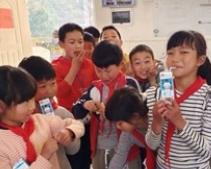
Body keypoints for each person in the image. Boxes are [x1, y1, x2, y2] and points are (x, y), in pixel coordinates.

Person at [145, 30, 211, 169]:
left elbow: (206, 150)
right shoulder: (155, 93)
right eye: (170, 53)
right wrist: (157, 121)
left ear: (200, 60)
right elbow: (152, 145)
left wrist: (179, 121)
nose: (175, 58)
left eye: (184, 52)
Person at [0, 66, 84, 169]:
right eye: (24, 102)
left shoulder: (41, 121)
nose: (32, 106)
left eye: (32, 99)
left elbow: (77, 124)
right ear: (0, 106)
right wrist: (44, 157)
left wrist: (69, 132)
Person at [72, 40, 141, 169]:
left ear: (120, 65)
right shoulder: (95, 87)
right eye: (98, 71)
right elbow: (76, 110)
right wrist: (86, 105)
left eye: (108, 71)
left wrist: (111, 113)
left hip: (127, 146)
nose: (103, 75)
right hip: (100, 146)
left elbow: (139, 114)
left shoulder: (130, 84)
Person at [18, 56, 84, 169]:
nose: (49, 90)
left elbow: (74, 150)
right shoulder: (20, 120)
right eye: (42, 86)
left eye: (53, 83)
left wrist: (68, 136)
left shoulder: (62, 114)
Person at [51, 22, 97, 169]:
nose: (77, 46)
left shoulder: (90, 64)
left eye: (80, 41)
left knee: (88, 158)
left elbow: (96, 88)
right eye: (72, 42)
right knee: (75, 160)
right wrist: (74, 67)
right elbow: (60, 92)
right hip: (69, 122)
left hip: (90, 119)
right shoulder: (56, 66)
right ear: (61, 44)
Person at [105, 87, 156, 169]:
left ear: (135, 116)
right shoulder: (128, 135)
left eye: (120, 123)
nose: (118, 127)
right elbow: (119, 157)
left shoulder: (157, 121)